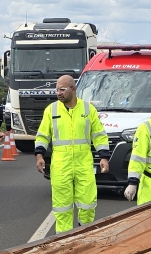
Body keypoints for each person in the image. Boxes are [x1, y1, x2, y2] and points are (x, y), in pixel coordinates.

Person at [35, 74, 110, 232]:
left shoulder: (88, 109)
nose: (59, 93)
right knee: (62, 207)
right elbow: (42, 135)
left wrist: (104, 157)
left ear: (73, 89)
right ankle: (64, 240)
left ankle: (84, 234)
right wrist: (39, 155)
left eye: (62, 89)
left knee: (88, 204)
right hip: (61, 166)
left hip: (84, 165)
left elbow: (99, 135)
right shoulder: (51, 110)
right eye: (57, 90)